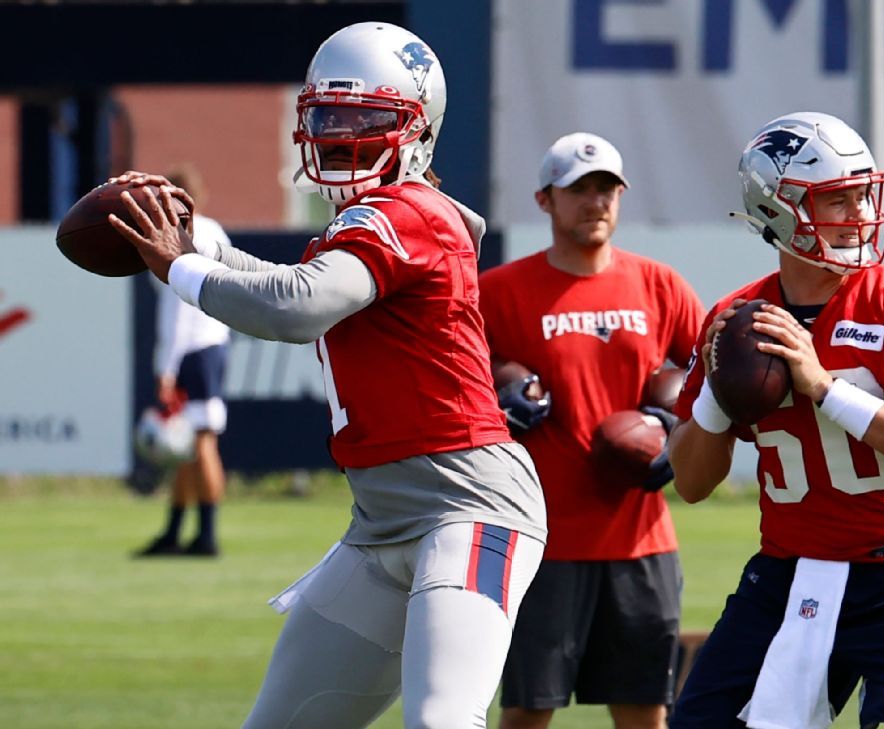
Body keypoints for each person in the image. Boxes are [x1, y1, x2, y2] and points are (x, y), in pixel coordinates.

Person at [107, 22, 547, 729]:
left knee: (442, 720)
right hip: (381, 522)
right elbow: (291, 280)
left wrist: (179, 267)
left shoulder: (410, 212)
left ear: (417, 129)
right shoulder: (366, 226)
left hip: (470, 506)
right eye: (327, 116)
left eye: (365, 118)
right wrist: (200, 242)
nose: (341, 135)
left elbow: (298, 305)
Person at [667, 112, 884, 729]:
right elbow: (690, 483)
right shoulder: (738, 318)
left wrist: (823, 387)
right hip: (793, 576)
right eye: (837, 200)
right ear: (780, 211)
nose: (858, 214)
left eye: (861, 195)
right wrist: (718, 390)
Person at [478, 132, 704, 729]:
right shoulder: (497, 293)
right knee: (528, 710)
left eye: (606, 189)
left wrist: (672, 424)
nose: (595, 201)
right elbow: (453, 384)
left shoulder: (661, 285)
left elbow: (710, 379)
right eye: (578, 190)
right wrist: (498, 399)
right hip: (541, 540)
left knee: (645, 713)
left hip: (642, 542)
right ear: (544, 200)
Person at [135, 165, 232, 558]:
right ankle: (175, 530)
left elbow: (178, 310)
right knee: (187, 444)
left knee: (202, 441)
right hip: (212, 342)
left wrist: (167, 367)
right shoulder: (215, 230)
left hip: (195, 348)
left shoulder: (182, 235)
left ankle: (207, 534)